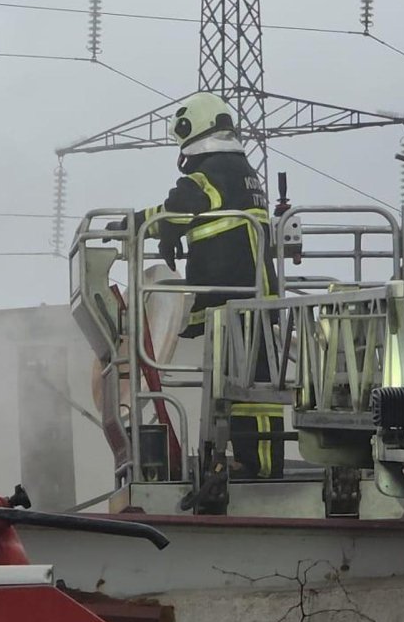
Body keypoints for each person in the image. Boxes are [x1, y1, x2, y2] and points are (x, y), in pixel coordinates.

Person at [120, 91, 284, 478]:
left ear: (189, 129)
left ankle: (259, 468)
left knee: (250, 391)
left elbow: (175, 209)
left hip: (234, 295)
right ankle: (242, 459)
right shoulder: (238, 168)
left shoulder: (211, 171)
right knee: (241, 385)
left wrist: (131, 225)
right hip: (246, 292)